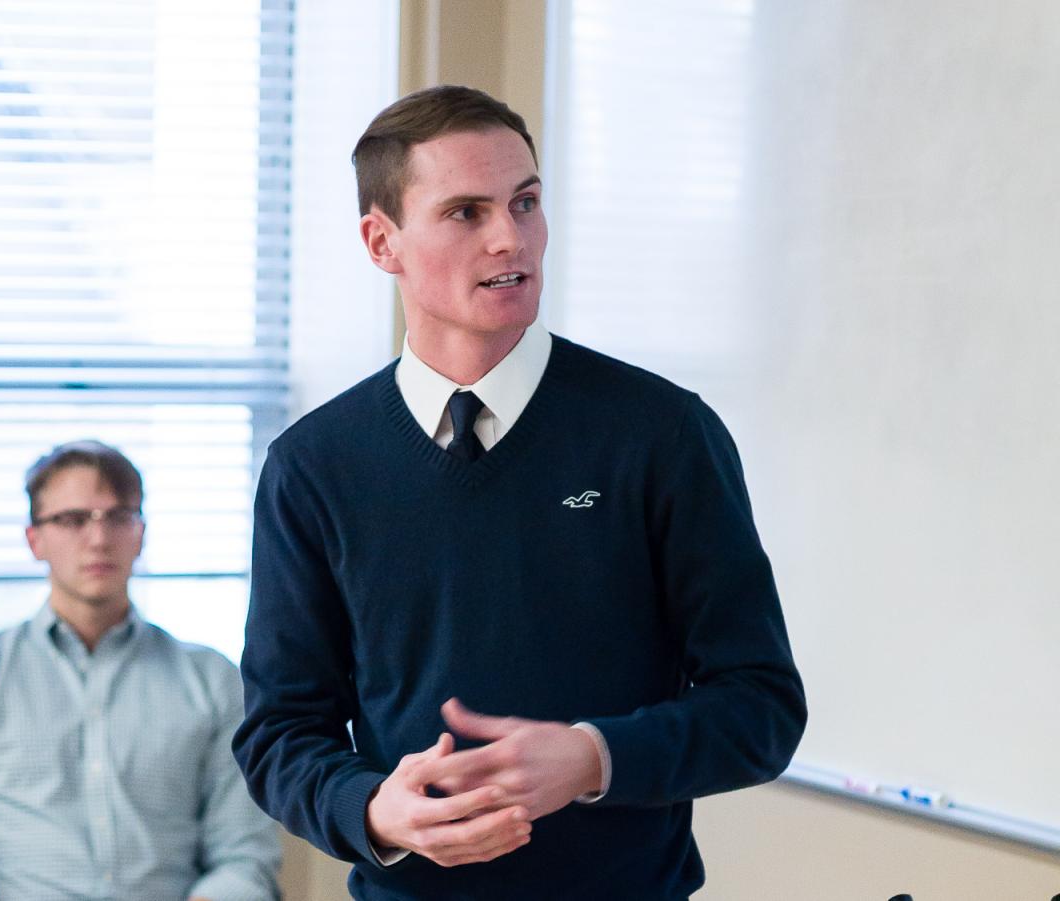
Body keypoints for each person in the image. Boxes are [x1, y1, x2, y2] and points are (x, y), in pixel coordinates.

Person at [233, 85, 807, 899]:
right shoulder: (312, 467)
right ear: (381, 241)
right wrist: (375, 808)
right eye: (466, 212)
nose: (512, 237)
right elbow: (279, 735)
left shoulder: (663, 434)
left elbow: (762, 708)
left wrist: (592, 757)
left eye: (526, 202)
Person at [0, 440, 282, 901]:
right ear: (34, 539)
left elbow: (244, 858)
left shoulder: (215, 683)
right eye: (72, 519)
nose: (98, 539)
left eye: (118, 517)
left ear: (140, 533)